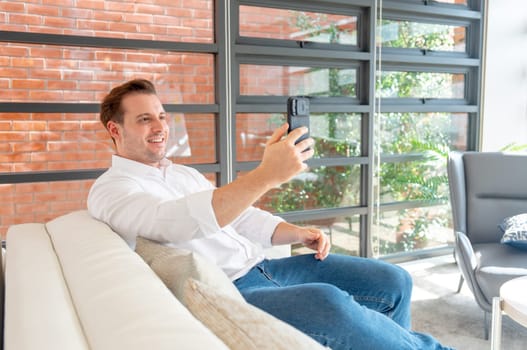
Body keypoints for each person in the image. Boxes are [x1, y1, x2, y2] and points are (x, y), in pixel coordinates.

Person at [88, 78, 454, 350]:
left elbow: (240, 216)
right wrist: (266, 175)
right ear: (114, 129)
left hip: (267, 266)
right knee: (330, 303)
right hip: (232, 290)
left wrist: (292, 232)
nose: (160, 127)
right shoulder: (111, 191)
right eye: (145, 119)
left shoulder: (182, 173)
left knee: (394, 281)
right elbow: (176, 221)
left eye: (163, 116)